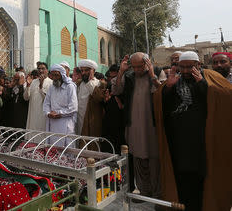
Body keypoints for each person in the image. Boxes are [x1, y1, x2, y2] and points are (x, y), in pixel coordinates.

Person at [154, 51, 232, 211]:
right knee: (181, 175)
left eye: (189, 67)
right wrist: (168, 88)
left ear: (198, 65)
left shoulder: (210, 77)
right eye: (182, 67)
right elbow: (163, 105)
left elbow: (224, 97)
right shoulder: (174, 80)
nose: (185, 71)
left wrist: (202, 84)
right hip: (179, 141)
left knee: (199, 176)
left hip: (202, 141)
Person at [111, 53, 165, 199]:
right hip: (134, 124)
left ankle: (157, 194)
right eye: (133, 67)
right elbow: (116, 91)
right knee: (138, 159)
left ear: (147, 63)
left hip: (152, 125)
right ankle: (144, 193)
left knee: (154, 159)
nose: (137, 70)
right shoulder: (129, 76)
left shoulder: (159, 72)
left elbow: (164, 93)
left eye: (140, 66)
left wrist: (153, 75)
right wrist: (122, 71)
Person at [43, 64, 78, 146]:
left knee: (67, 147)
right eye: (53, 75)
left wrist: (59, 113)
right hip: (52, 122)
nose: (54, 78)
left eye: (56, 75)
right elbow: (46, 103)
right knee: (53, 145)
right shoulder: (51, 87)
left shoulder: (70, 87)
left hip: (65, 121)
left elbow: (73, 107)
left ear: (62, 75)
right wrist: (48, 113)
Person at [76, 59, 105, 137]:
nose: (83, 73)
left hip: (91, 119)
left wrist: (90, 81)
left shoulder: (99, 83)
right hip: (79, 118)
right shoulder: (79, 84)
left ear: (93, 71)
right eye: (82, 71)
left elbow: (99, 98)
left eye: (86, 70)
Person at [24, 62, 53, 131]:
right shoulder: (33, 82)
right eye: (39, 69)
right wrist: (28, 86)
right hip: (32, 114)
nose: (40, 71)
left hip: (43, 115)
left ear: (47, 70)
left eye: (43, 69)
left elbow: (48, 100)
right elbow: (26, 98)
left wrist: (41, 86)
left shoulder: (51, 83)